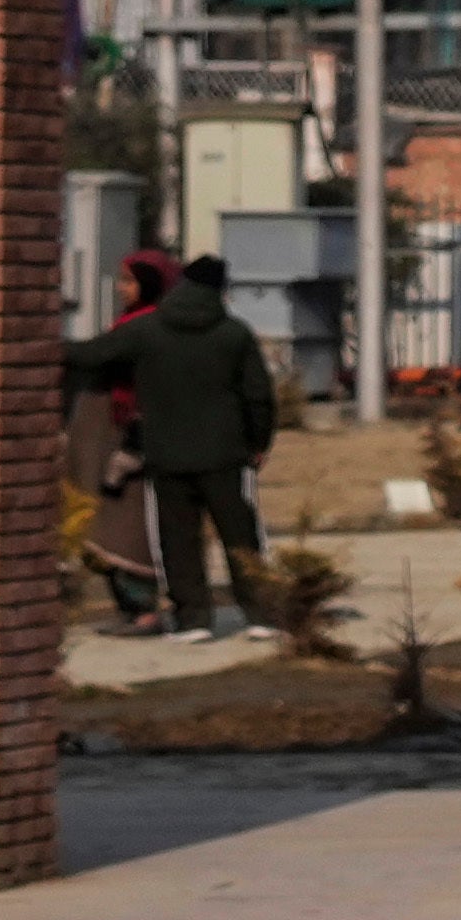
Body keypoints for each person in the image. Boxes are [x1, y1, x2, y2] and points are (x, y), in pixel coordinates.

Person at [64, 244, 280, 643]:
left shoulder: (146, 330)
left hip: (166, 453)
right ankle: (260, 614)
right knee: (240, 535)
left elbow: (91, 355)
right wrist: (258, 442)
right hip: (225, 454)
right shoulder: (235, 333)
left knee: (179, 539)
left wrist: (34, 341)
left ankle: (193, 620)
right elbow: (258, 395)